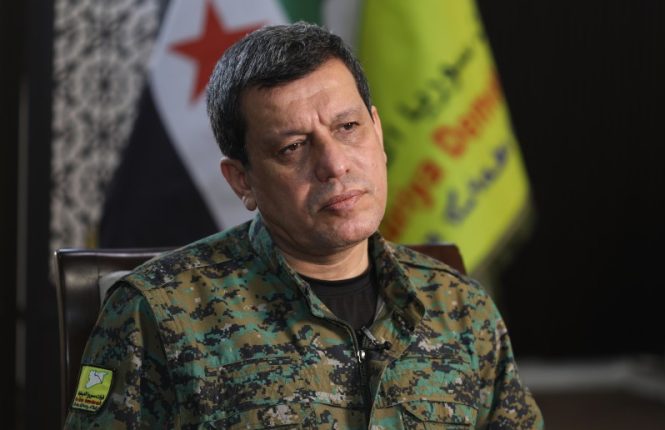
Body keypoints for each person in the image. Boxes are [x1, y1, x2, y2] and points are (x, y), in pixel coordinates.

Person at [64, 22, 543, 429]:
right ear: (241, 181)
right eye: (293, 147)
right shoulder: (155, 314)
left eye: (348, 128)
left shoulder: (463, 308)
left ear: (377, 133)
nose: (334, 164)